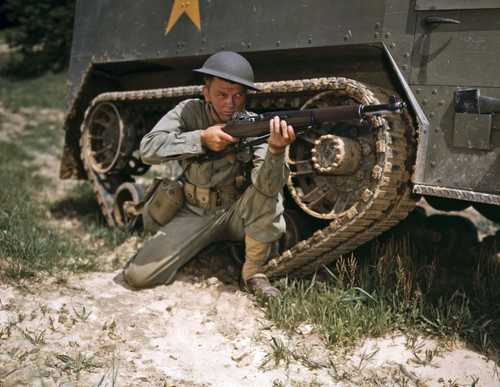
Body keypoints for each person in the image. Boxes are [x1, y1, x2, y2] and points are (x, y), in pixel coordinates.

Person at [123, 51, 295, 298]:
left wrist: (276, 151)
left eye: (238, 95)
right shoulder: (189, 112)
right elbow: (148, 149)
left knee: (266, 195)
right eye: (222, 94)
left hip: (238, 211)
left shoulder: (255, 125)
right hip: (194, 210)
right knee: (138, 276)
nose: (230, 103)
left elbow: (269, 187)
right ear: (206, 93)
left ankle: (253, 272)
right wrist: (200, 139)